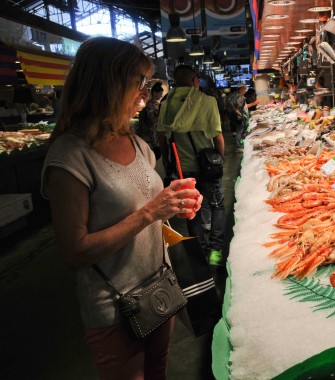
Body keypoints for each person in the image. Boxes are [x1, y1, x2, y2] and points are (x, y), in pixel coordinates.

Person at [40, 37, 202, 379]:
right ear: (107, 84)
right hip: (116, 308)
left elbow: (150, 209)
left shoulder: (138, 143)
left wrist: (175, 204)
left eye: (147, 83)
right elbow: (75, 252)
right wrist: (151, 212)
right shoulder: (70, 156)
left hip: (160, 288)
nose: (146, 93)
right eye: (138, 84)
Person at [157, 65, 226, 266]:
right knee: (217, 207)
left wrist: (167, 161)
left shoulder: (167, 103)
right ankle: (215, 253)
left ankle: (200, 253)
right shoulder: (207, 101)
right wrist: (220, 158)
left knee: (191, 211)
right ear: (195, 81)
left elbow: (162, 137)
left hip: (182, 168)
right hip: (209, 166)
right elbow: (218, 136)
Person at [137, 82, 164, 159]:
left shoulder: (155, 104)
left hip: (156, 133)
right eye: (160, 93)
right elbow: (152, 120)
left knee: (157, 154)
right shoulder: (151, 105)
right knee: (156, 154)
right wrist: (162, 115)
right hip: (153, 134)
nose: (161, 95)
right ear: (155, 93)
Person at [226, 84, 250, 151]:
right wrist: (241, 115)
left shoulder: (233, 95)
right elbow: (238, 108)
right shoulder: (239, 97)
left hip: (234, 115)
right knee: (239, 130)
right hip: (239, 116)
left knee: (239, 130)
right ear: (241, 88)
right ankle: (238, 146)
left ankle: (240, 144)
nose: (245, 91)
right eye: (245, 89)